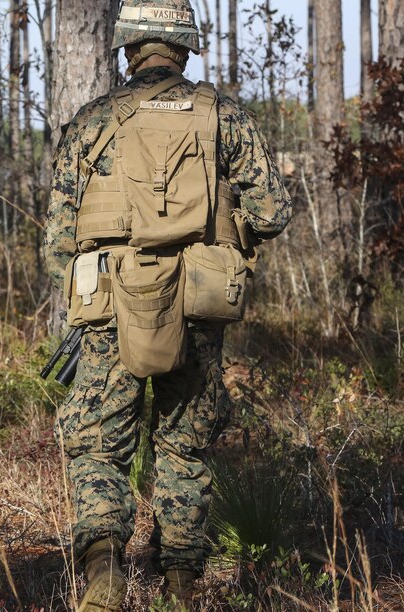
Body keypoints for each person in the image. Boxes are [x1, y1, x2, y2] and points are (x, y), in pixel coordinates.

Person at [43, 0, 293, 609]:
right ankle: (181, 586)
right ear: (183, 46)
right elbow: (273, 212)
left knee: (100, 443)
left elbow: (57, 240)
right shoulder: (222, 118)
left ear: (129, 49)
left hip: (109, 308)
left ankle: (103, 578)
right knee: (185, 441)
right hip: (199, 305)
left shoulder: (92, 121)